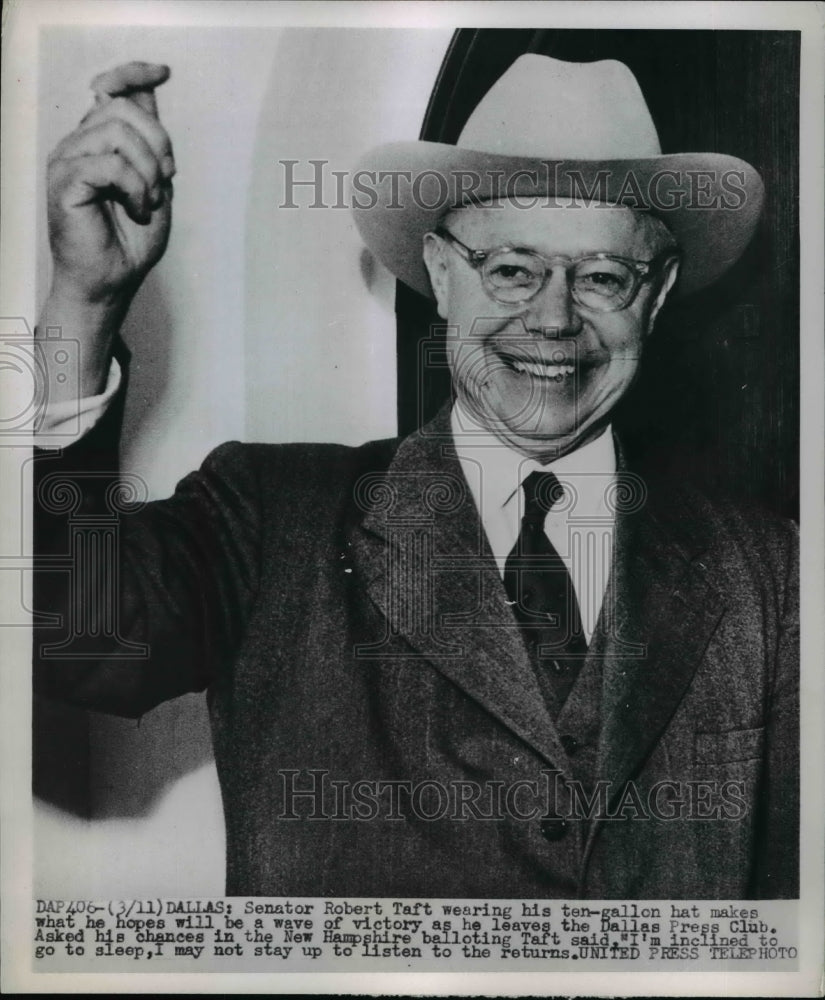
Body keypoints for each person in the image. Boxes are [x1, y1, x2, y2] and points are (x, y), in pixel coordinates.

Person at [33, 54, 798, 899]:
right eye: (511, 268)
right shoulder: (271, 516)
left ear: (654, 299)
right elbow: (80, 643)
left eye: (602, 277)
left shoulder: (773, 576)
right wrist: (88, 303)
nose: (551, 316)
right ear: (440, 275)